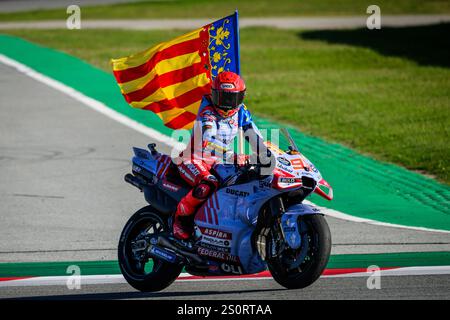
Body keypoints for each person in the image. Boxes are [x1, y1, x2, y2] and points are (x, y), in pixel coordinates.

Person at [172, 71, 267, 240]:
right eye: (222, 98)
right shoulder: (208, 112)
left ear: (240, 97)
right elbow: (207, 141)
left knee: (242, 181)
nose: (226, 104)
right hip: (193, 158)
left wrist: (267, 155)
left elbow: (254, 136)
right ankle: (180, 220)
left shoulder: (241, 112)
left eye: (231, 98)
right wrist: (233, 155)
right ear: (214, 95)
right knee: (208, 184)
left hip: (218, 161)